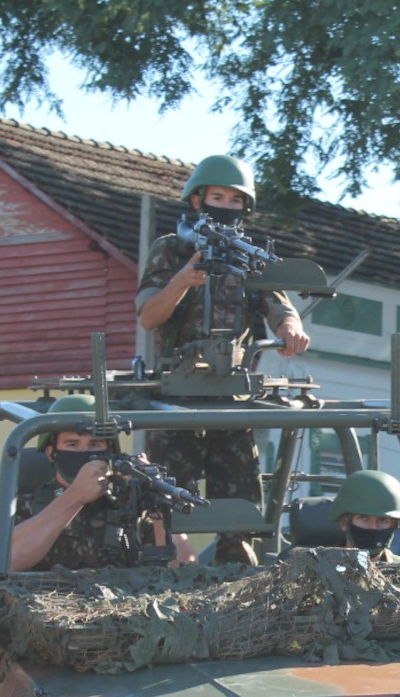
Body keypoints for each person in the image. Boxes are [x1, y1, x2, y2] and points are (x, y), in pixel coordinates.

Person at [135, 154, 311, 565]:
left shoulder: (247, 253)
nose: (226, 206)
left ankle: (239, 585)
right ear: (197, 201)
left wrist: (290, 328)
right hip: (175, 401)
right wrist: (182, 280)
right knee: (162, 505)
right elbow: (148, 317)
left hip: (233, 399)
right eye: (218, 197)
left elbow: (278, 304)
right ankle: (164, 577)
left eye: (235, 201)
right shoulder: (171, 249)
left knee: (242, 510)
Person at [9, 395, 196, 572]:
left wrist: (159, 506)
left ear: (110, 451)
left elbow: (184, 570)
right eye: (72, 445)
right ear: (51, 453)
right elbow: (8, 561)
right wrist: (75, 496)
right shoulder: (21, 506)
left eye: (95, 444)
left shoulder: (131, 506)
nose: (85, 453)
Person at [328, 470, 400, 562]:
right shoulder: (317, 570)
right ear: (344, 522)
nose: (373, 527)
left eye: (383, 520)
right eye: (363, 518)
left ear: (394, 524)